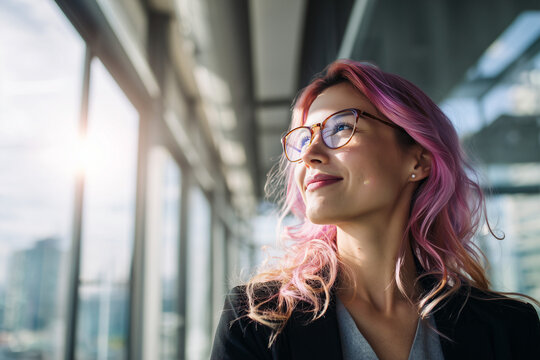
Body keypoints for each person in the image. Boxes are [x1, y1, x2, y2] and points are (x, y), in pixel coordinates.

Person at [210, 59, 540, 359]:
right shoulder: (257, 320)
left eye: (340, 127)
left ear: (418, 159)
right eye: (303, 138)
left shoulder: (508, 328)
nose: (310, 153)